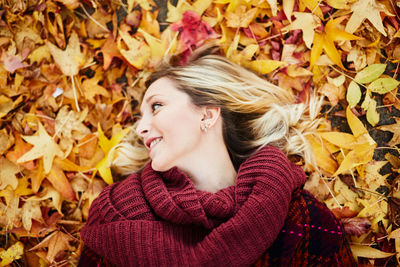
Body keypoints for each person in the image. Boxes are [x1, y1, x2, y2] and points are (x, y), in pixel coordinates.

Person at [79, 45, 356, 266]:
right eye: (142, 116)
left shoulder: (298, 217)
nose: (140, 128)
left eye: (157, 106)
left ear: (208, 114)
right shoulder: (117, 214)